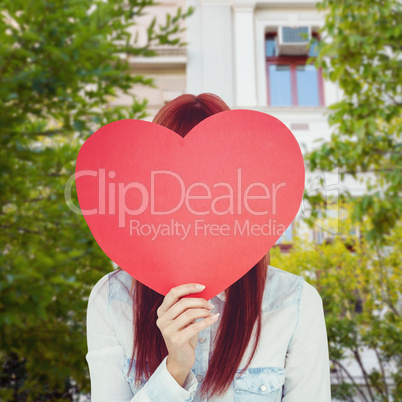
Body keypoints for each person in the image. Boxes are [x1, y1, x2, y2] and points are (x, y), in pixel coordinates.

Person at [85, 93, 332, 401]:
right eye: (171, 188)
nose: (194, 207)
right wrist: (174, 370)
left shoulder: (294, 304)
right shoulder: (113, 300)